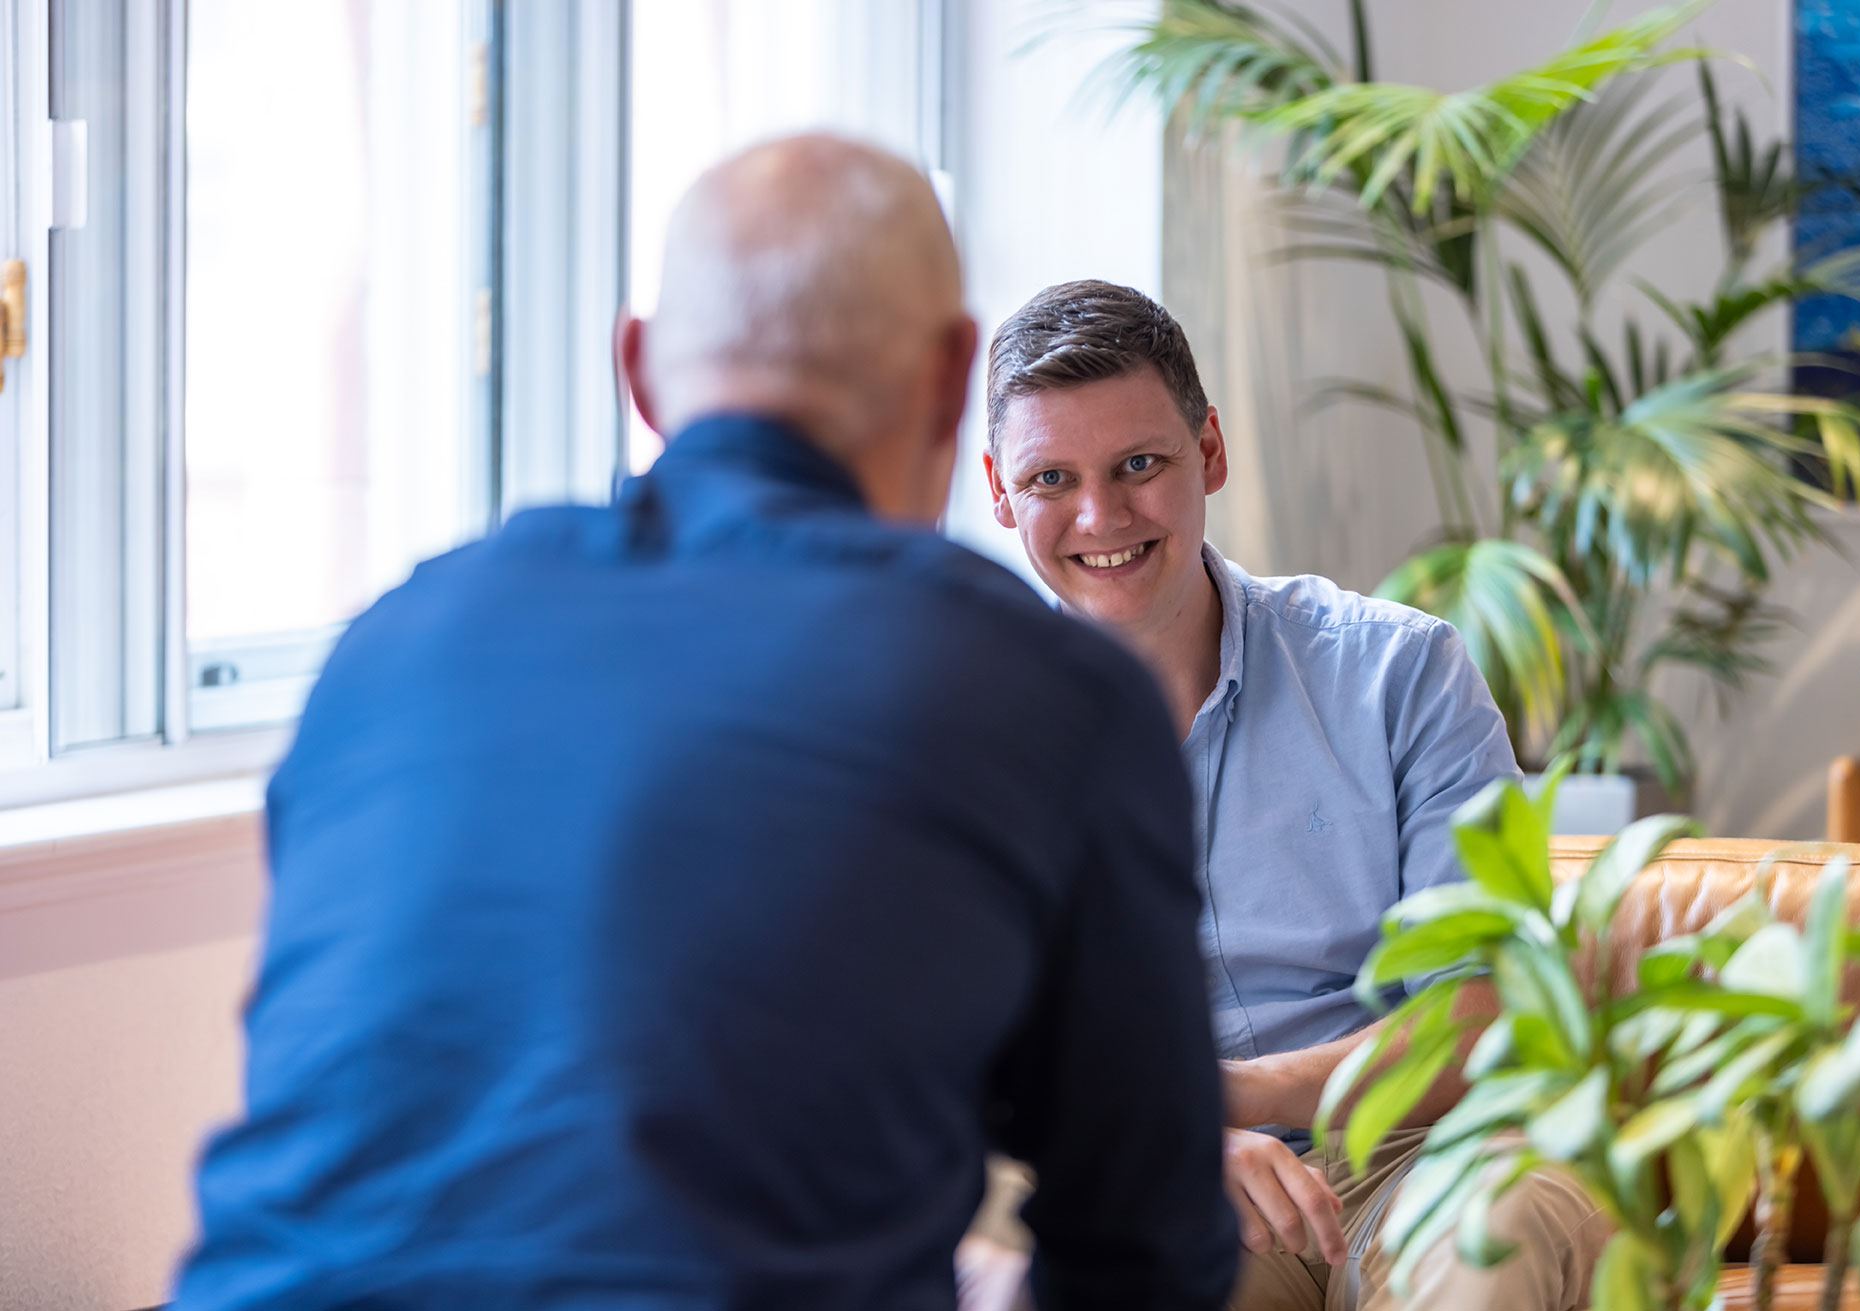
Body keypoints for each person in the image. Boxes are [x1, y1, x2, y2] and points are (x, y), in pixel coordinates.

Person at [173, 141, 1239, 1311]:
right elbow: (1144, 1253)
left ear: (639, 372)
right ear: (950, 386)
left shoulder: (391, 643)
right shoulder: (1041, 689)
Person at [976, 280, 1609, 1311]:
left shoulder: (1399, 672)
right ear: (1002, 495)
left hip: (1428, 1152)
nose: (1102, 516)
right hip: (1166, 1177)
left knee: (1494, 1241)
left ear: (1210, 453)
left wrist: (1226, 1093)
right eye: (1053, 478)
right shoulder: (962, 736)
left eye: (1141, 464)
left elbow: (1490, 1004)